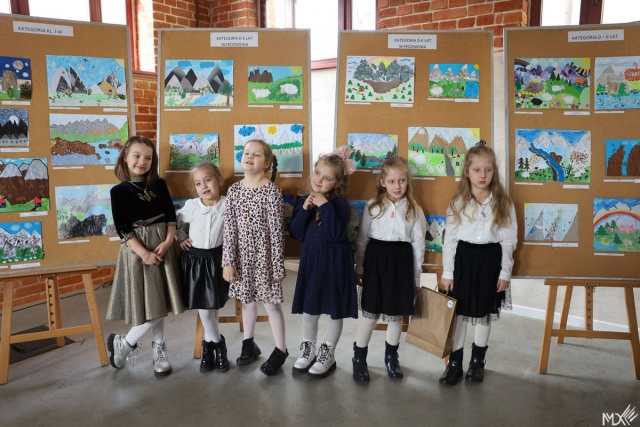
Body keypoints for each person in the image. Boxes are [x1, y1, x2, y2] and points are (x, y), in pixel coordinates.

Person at [439, 141, 517, 385]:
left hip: (489, 262)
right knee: (459, 314)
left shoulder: (503, 203)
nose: (483, 175)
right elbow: (450, 241)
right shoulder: (457, 202)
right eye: (477, 170)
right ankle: (455, 363)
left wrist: (505, 273)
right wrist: (448, 272)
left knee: (483, 313)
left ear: (494, 172)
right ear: (467, 172)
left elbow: (509, 240)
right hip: (464, 261)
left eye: (488, 169)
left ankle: (477, 362)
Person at [106, 135, 184, 377]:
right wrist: (144, 253)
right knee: (154, 304)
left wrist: (168, 242)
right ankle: (127, 343)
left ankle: (157, 349)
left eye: (148, 158)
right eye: (137, 156)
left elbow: (171, 216)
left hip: (162, 247)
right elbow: (123, 229)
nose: (142, 161)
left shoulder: (159, 184)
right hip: (138, 251)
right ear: (125, 158)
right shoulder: (118, 191)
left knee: (160, 301)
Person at [353, 156, 426, 382]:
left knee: (395, 315)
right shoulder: (372, 206)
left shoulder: (414, 209)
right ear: (383, 182)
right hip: (375, 261)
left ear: (407, 181)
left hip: (401, 263)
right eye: (392, 181)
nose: (397, 186)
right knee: (370, 313)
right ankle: (359, 358)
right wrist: (360, 267)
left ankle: (391, 356)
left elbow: (418, 246)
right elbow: (362, 239)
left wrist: (416, 278)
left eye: (402, 180)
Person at [288, 147, 357, 378]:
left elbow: (336, 234)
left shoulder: (339, 205)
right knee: (310, 310)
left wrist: (324, 205)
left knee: (334, 311)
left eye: (327, 178)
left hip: (335, 263)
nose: (319, 180)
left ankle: (328, 353)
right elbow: (295, 233)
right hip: (312, 262)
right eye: (317, 173)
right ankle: (308, 349)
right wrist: (305, 209)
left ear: (337, 183)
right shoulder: (303, 199)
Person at [222, 139, 288, 376]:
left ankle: (281, 349)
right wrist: (228, 262)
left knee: (271, 305)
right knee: (247, 302)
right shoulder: (234, 190)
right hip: (241, 259)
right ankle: (248, 345)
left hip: (264, 259)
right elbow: (229, 229)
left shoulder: (271, 191)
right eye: (246, 152)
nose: (249, 156)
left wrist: (277, 266)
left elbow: (277, 232)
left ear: (267, 163)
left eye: (256, 154)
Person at [175, 161, 230, 373]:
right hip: (195, 262)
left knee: (212, 307)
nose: (204, 186)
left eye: (208, 180)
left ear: (219, 180)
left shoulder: (227, 204)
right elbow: (174, 221)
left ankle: (208, 348)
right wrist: (180, 236)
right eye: (198, 183)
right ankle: (219, 346)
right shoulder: (192, 206)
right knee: (205, 311)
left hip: (217, 261)